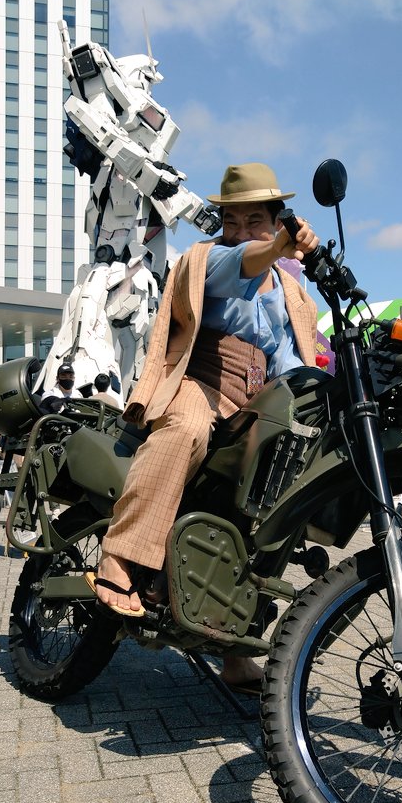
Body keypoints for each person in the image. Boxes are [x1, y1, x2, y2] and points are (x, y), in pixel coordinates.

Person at [86, 162, 319, 693]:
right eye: (231, 220)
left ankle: (234, 650)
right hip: (200, 379)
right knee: (186, 430)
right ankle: (119, 556)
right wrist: (276, 244)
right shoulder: (206, 258)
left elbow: (293, 360)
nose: (239, 230)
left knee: (260, 512)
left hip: (257, 399)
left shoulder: (291, 289)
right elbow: (241, 262)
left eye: (254, 220)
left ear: (276, 218)